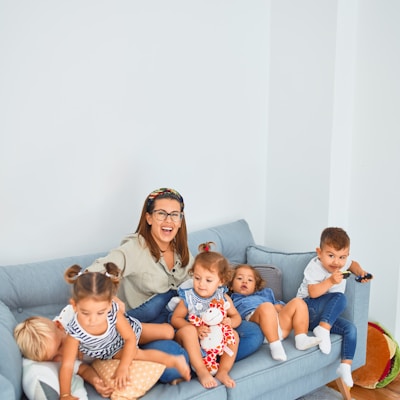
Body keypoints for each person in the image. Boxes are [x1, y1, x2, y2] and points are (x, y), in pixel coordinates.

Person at [86, 187, 264, 382]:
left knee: (253, 333)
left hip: (184, 318)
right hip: (149, 325)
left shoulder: (181, 249)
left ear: (180, 220)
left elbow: (204, 282)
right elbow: (90, 275)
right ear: (149, 218)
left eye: (174, 215)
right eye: (161, 213)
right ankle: (199, 360)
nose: (168, 221)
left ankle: (204, 360)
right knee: (175, 364)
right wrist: (110, 298)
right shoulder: (133, 248)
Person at [59, 263, 190, 400]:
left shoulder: (113, 312)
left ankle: (172, 316)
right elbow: (67, 365)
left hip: (130, 333)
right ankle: (174, 360)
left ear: (110, 304)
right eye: (85, 313)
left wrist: (123, 367)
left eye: (100, 313)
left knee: (168, 332)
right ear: (74, 305)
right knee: (138, 354)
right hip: (113, 351)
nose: (93, 320)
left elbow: (130, 338)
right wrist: (65, 394)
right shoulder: (74, 333)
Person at [296, 227, 373, 387]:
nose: (336, 262)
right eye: (331, 256)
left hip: (324, 316)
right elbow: (313, 292)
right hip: (306, 311)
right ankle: (323, 329)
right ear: (319, 252)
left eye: (342, 257)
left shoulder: (342, 264)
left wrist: (361, 273)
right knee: (340, 297)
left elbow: (354, 265)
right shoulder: (314, 266)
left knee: (350, 329)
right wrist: (330, 281)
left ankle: (345, 366)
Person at [171, 242, 241, 389]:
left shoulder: (223, 297)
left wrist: (230, 322)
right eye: (197, 278)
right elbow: (175, 319)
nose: (201, 284)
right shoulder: (189, 297)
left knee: (233, 335)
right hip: (191, 339)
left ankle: (223, 371)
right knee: (189, 331)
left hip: (214, 341)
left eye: (208, 280)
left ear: (221, 281)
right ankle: (202, 371)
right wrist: (195, 329)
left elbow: (236, 317)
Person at [14, 309, 114, 398]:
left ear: (59, 326)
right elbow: (82, 369)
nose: (63, 354)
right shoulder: (57, 360)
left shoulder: (74, 316)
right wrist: (95, 381)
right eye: (54, 358)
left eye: (60, 345)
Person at [229, 264, 321, 362]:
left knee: (298, 302)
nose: (245, 281)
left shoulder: (265, 294)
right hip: (258, 326)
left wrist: (278, 307)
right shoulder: (231, 300)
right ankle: (275, 346)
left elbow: (282, 307)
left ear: (255, 286)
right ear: (230, 286)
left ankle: (301, 338)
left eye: (250, 280)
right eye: (239, 278)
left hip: (279, 326)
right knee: (266, 306)